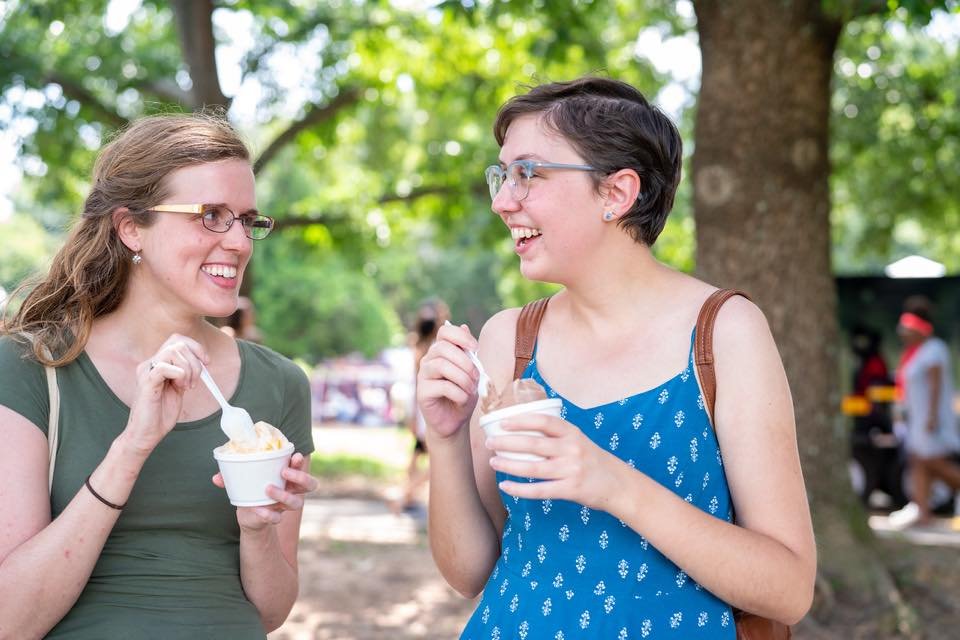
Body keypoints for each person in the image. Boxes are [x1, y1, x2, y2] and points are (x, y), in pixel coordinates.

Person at [417, 76, 816, 637]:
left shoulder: (724, 332)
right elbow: (467, 571)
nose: (504, 201)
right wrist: (445, 438)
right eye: (502, 176)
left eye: (528, 174)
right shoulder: (510, 339)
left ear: (616, 194)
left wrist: (613, 483)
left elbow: (790, 589)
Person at [0, 112, 317, 639]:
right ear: (130, 228)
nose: (239, 242)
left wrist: (257, 530)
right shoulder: (30, 368)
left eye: (247, 219)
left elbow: (270, 613)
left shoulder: (279, 384)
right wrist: (132, 447)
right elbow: (10, 620)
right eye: (211, 215)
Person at [888, 296, 960, 528]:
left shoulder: (933, 350)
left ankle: (923, 510)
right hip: (918, 420)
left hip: (932, 421)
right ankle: (923, 512)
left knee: (930, 462)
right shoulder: (914, 354)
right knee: (918, 462)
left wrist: (931, 417)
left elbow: (935, 386)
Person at [395, 298, 450, 513]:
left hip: (420, 408)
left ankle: (406, 495)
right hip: (432, 408)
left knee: (417, 455)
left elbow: (414, 381)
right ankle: (406, 495)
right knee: (435, 459)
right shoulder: (437, 346)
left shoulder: (417, 345)